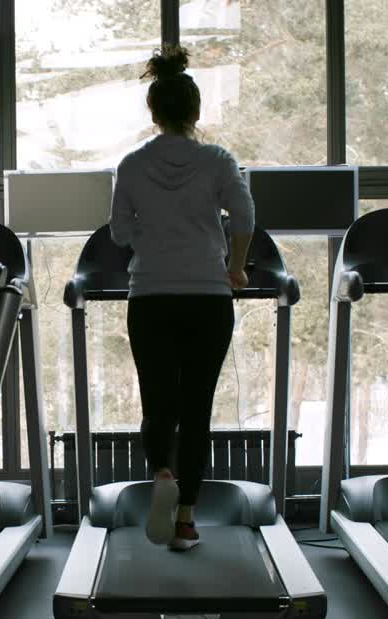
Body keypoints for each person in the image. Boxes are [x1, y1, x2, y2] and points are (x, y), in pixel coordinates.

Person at [108, 44, 254, 551]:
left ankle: (161, 473)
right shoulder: (217, 160)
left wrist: (151, 230)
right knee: (197, 408)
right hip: (208, 297)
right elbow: (245, 218)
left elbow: (120, 233)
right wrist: (234, 266)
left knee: (158, 403)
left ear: (154, 111)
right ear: (195, 111)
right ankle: (186, 518)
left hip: (150, 295)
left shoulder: (130, 164)